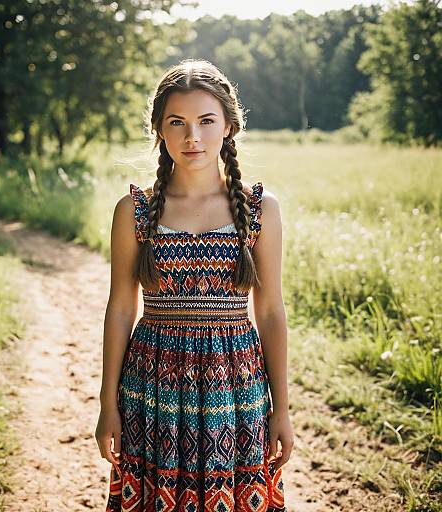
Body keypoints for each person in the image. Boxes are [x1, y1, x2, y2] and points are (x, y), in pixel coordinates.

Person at [95, 58, 294, 512]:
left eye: (206, 121)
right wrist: (108, 403)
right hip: (153, 384)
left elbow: (269, 312)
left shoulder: (260, 209)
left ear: (229, 126)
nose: (193, 137)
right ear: (159, 131)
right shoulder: (135, 210)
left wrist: (281, 408)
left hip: (235, 386)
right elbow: (121, 309)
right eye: (177, 123)